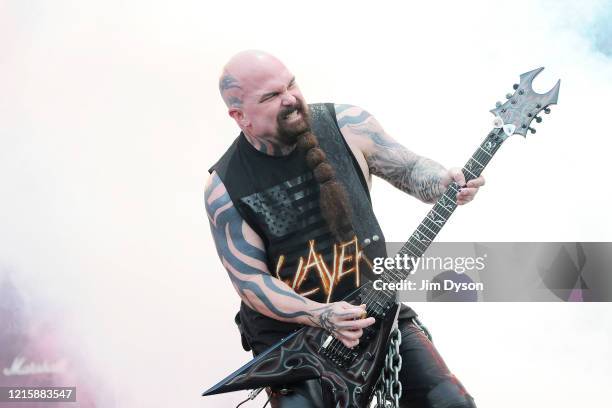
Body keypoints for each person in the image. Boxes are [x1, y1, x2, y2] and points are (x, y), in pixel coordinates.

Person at [205, 50, 483, 408]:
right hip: (296, 341)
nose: (290, 98)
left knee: (453, 404)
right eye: (272, 96)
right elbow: (250, 283)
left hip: (376, 309)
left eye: (291, 84)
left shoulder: (346, 124)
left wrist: (444, 181)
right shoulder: (224, 187)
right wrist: (320, 315)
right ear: (240, 116)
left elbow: (411, 169)